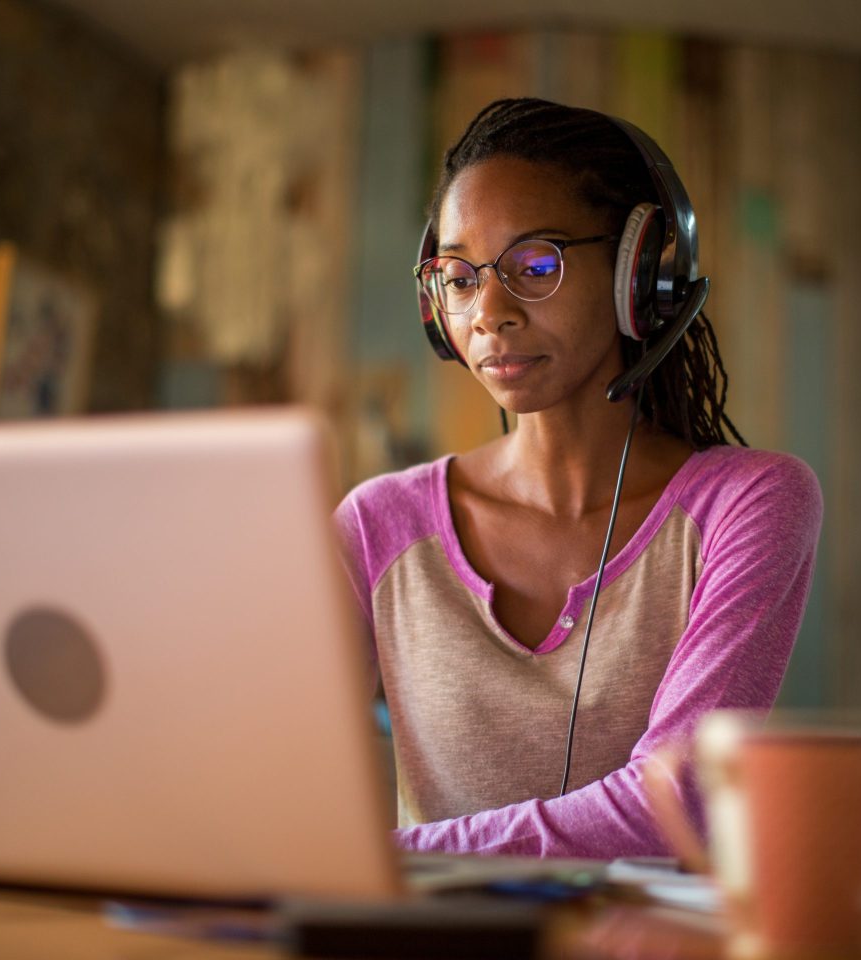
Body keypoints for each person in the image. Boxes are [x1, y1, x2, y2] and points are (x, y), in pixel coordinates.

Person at [334, 98, 821, 859]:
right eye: (460, 278)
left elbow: (679, 805)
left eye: (535, 265)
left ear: (642, 273)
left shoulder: (750, 505)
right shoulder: (377, 525)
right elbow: (275, 766)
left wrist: (394, 855)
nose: (489, 312)